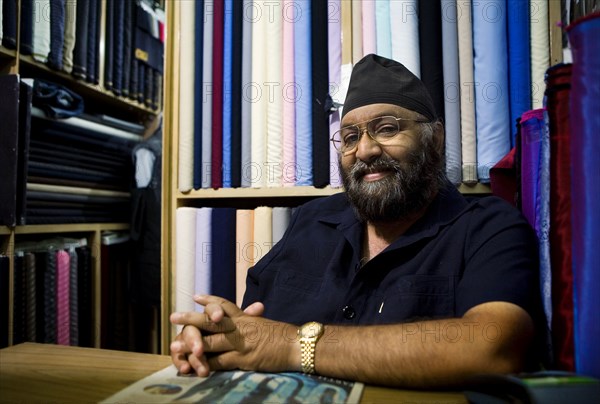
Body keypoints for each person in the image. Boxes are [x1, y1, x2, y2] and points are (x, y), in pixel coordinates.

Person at [170, 54, 547, 388]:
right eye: (349, 137)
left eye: (386, 128)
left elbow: (493, 349)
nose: (364, 150)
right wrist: (215, 337)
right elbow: (252, 328)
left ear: (435, 139)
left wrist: (290, 346)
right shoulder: (311, 221)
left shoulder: (488, 228)